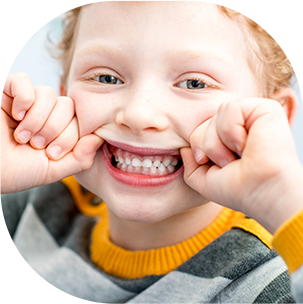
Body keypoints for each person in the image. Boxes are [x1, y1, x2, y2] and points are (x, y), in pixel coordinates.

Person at [0, 0, 303, 303]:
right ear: (65, 95)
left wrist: (282, 200)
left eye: (194, 83)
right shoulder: (34, 209)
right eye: (106, 78)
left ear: (271, 118)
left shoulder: (263, 280)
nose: (138, 115)